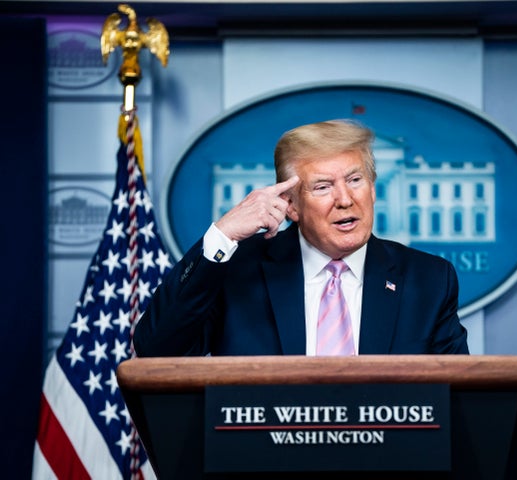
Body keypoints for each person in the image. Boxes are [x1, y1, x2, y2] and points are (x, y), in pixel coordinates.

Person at [133, 119, 468, 357]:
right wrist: (221, 236)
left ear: (373, 188)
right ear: (290, 205)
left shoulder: (429, 280)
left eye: (355, 180)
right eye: (323, 187)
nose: (345, 199)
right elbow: (158, 349)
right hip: (264, 456)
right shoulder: (238, 273)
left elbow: (459, 400)